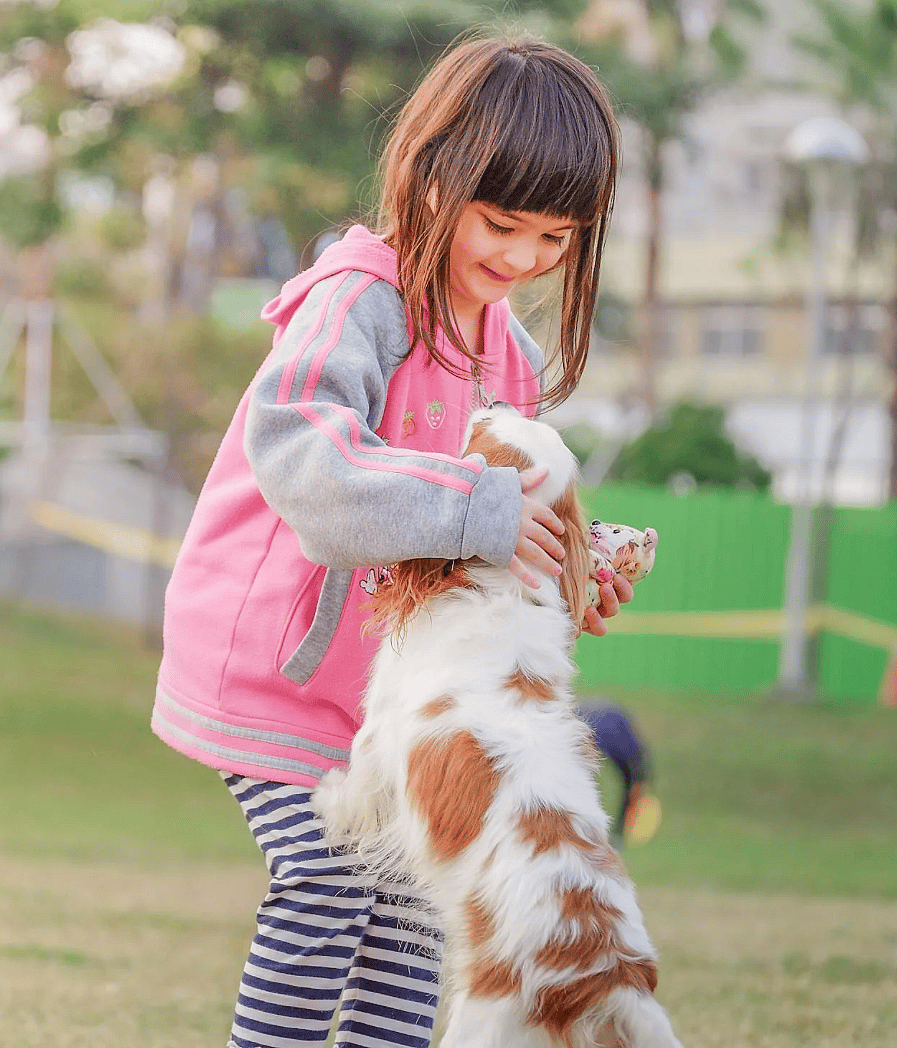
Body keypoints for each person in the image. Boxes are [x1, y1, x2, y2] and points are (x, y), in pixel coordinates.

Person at [150, 35, 632, 1048]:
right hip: (281, 668)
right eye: (501, 224)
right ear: (428, 175)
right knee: (326, 877)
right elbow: (306, 462)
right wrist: (485, 511)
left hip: (401, 690)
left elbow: (501, 517)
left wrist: (573, 565)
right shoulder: (357, 303)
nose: (523, 260)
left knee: (416, 907)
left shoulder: (508, 353)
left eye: (555, 237)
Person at [579, 699, 652, 848]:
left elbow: (636, 783)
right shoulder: (627, 748)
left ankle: (615, 836)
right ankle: (609, 837)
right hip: (589, 729)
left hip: (593, 724)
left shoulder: (626, 745)